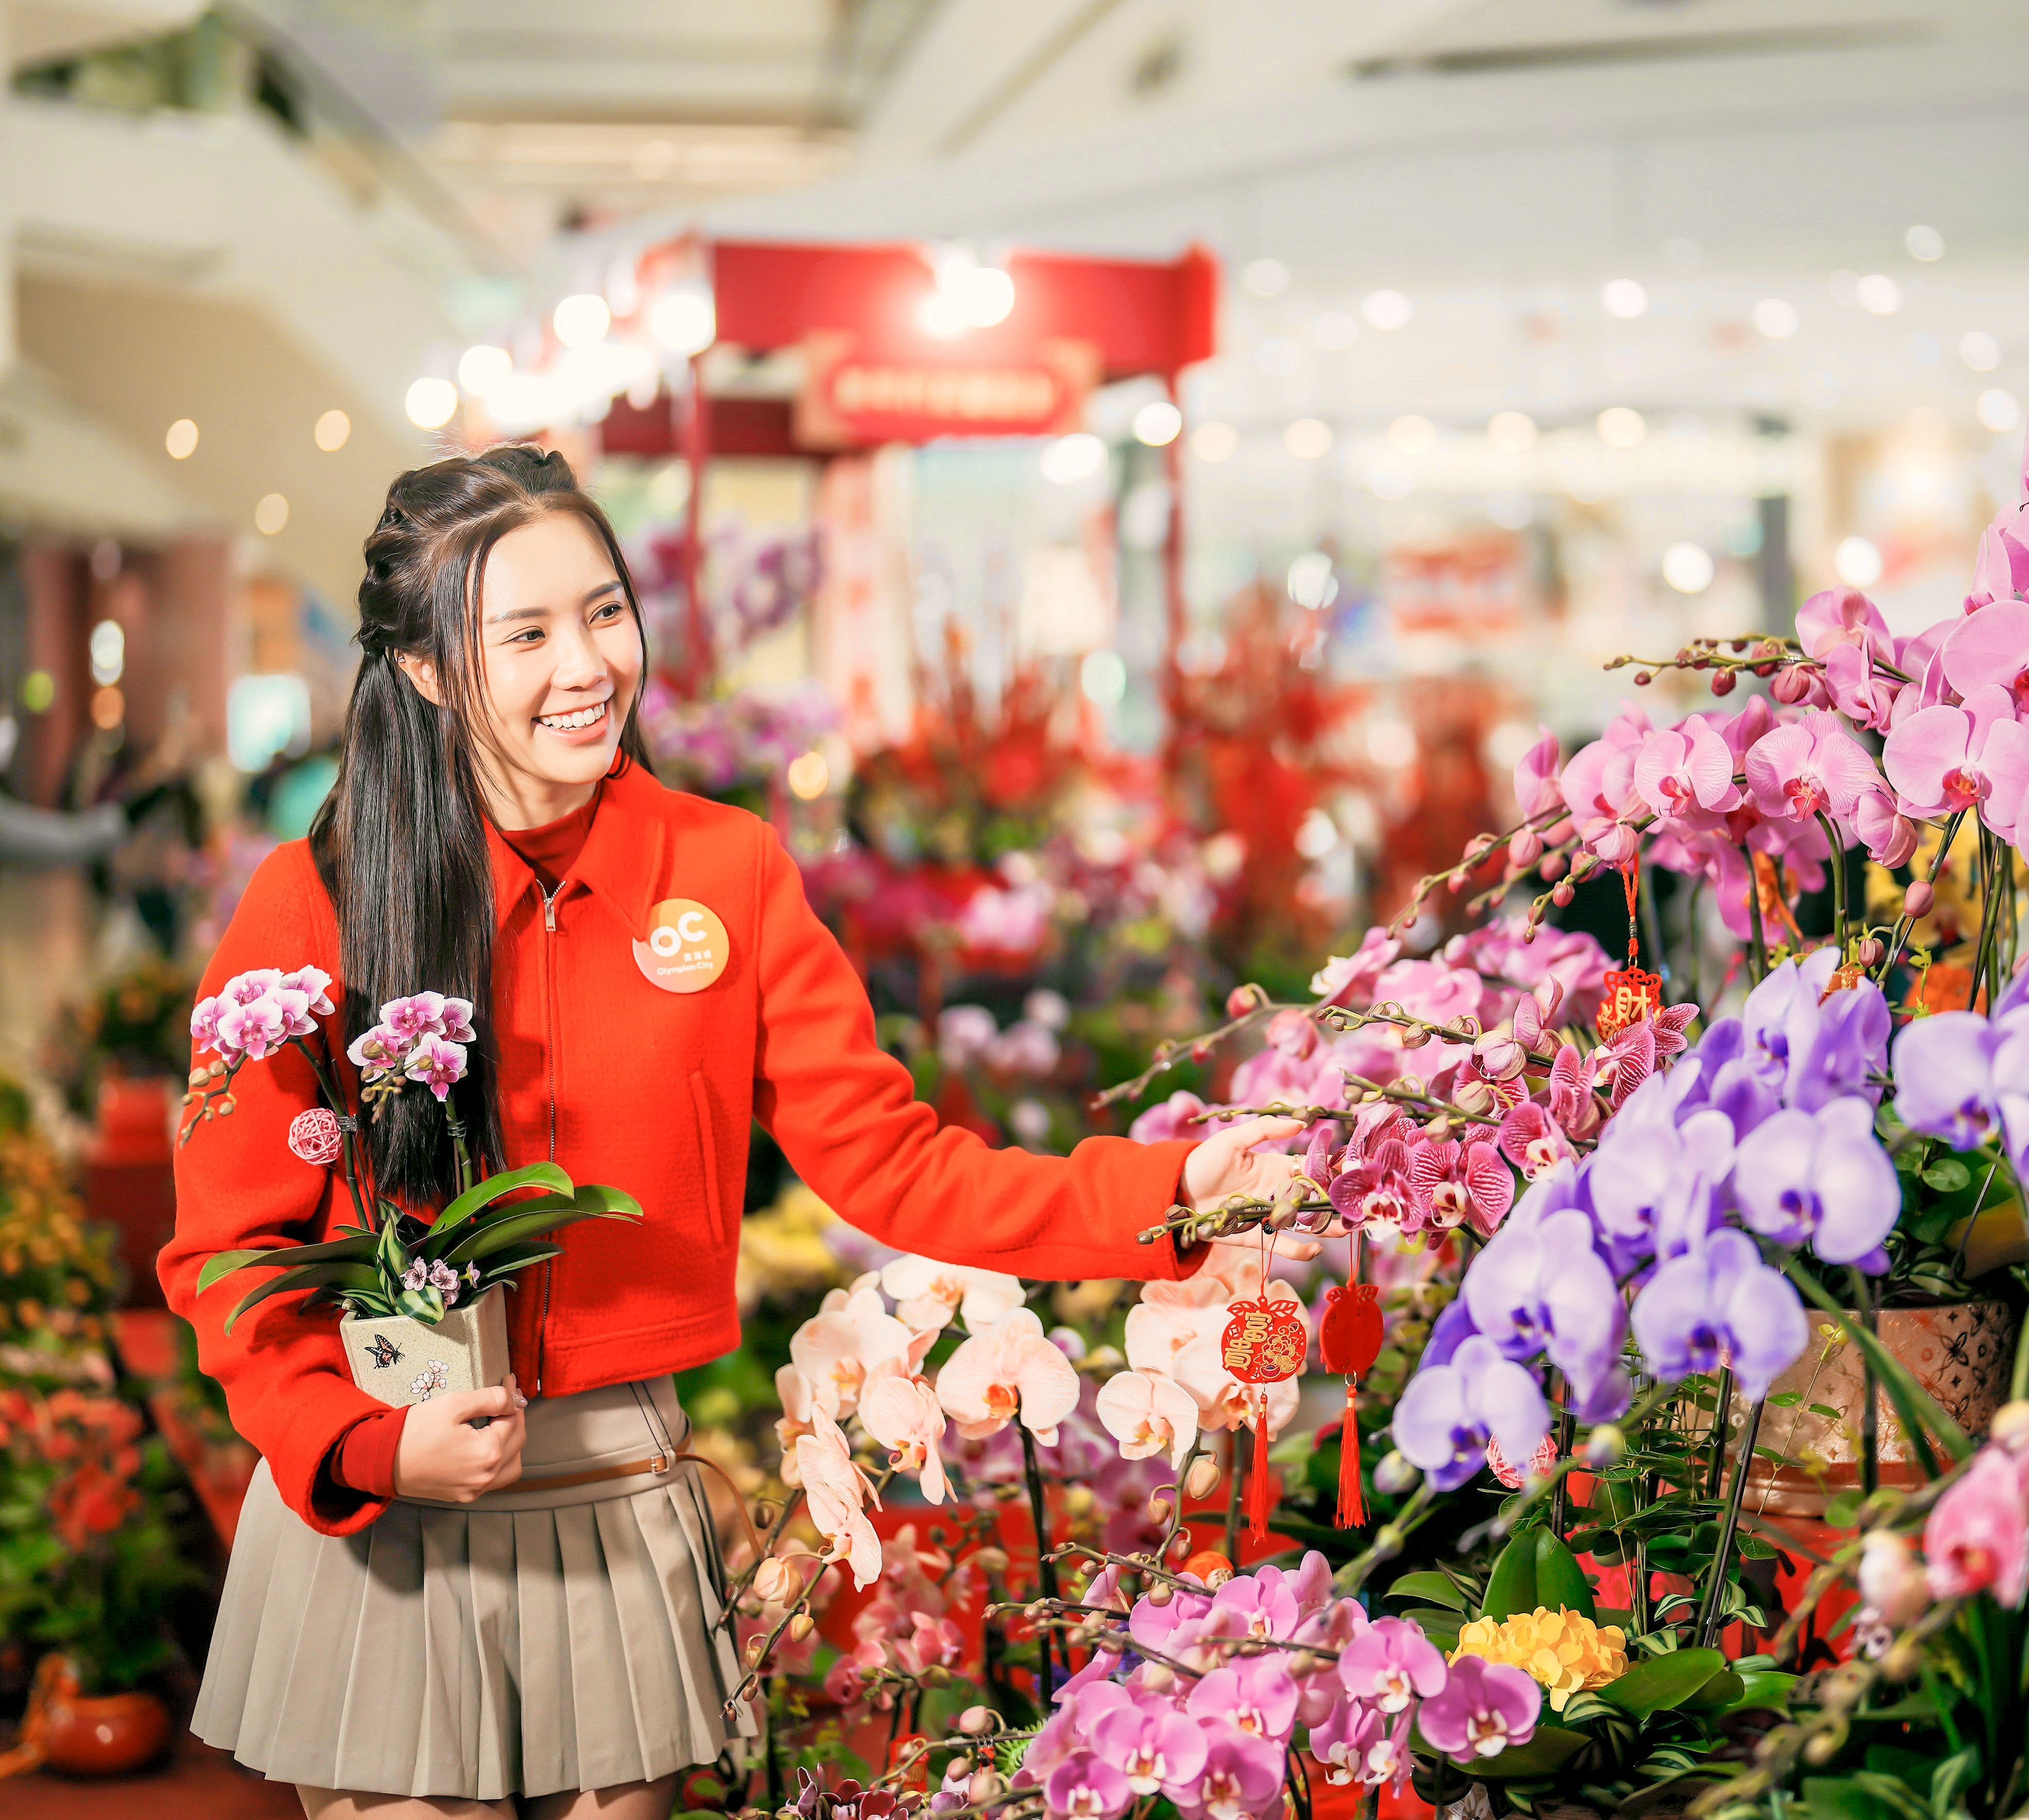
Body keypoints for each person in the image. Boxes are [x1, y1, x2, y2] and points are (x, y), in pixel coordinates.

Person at [158, 446, 1299, 1819]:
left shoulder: (725, 871)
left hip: (617, 1486)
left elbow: (891, 1158)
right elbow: (228, 1252)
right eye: (525, 634)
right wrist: (355, 1440)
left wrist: (1172, 1189)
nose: (588, 665)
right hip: (386, 1498)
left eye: (604, 612)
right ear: (424, 670)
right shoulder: (320, 898)